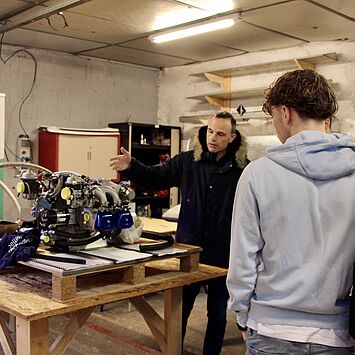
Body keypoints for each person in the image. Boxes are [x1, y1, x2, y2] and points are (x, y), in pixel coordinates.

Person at [227, 69, 355, 354]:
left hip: (271, 329)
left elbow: (243, 258)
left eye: (273, 117)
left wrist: (241, 313)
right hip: (335, 334)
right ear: (327, 120)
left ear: (285, 113)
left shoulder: (257, 174)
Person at [110, 111, 248, 354]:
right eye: (210, 131)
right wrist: (131, 166)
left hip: (223, 255)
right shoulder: (187, 162)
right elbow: (156, 177)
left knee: (217, 316)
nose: (213, 138)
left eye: (221, 134)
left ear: (232, 137)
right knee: (179, 314)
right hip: (189, 253)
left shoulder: (243, 170)